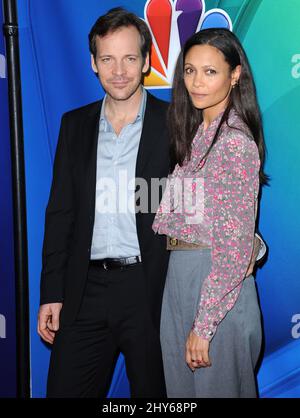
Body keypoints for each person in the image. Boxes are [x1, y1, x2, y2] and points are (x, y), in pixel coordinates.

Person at [37, 7, 171, 398]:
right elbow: (60, 214)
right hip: (85, 290)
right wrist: (52, 292)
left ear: (146, 61)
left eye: (130, 58)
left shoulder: (177, 122)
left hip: (151, 290)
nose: (119, 71)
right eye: (108, 59)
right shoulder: (73, 125)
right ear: (93, 63)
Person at [152, 28, 267, 398]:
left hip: (214, 287)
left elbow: (232, 249)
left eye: (210, 71)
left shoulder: (233, 140)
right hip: (182, 278)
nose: (196, 82)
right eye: (189, 70)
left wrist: (205, 326)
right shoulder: (198, 132)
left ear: (235, 75)